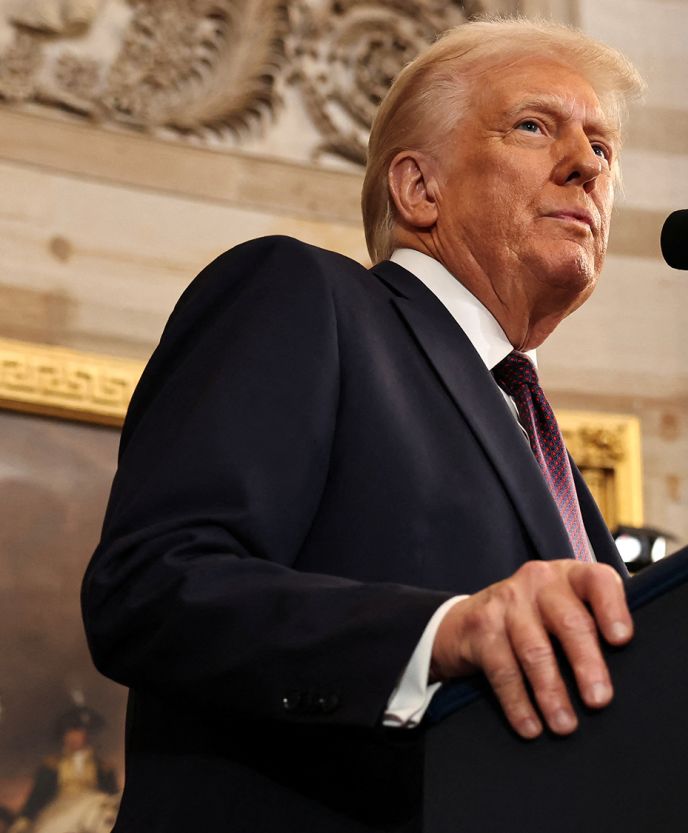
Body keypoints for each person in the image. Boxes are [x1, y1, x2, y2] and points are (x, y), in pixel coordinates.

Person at [81, 18, 644, 833]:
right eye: (533, 125)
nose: (586, 163)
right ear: (419, 189)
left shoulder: (543, 447)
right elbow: (151, 587)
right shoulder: (305, 298)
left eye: (604, 147)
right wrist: (440, 633)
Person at [12, 706, 119, 833]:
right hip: (59, 811)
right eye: (68, 733)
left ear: (86, 735)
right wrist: (25, 818)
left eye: (78, 732)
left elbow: (113, 797)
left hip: (92, 813)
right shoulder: (51, 765)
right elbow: (38, 795)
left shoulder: (103, 768)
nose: (72, 737)